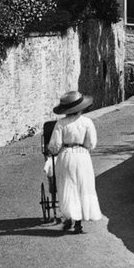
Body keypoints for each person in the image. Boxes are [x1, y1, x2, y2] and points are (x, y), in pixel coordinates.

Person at [48, 90, 102, 233]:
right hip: (82, 155)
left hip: (66, 155)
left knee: (68, 186)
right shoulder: (87, 122)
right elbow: (91, 144)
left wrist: (52, 151)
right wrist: (83, 148)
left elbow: (54, 146)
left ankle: (70, 217)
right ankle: (79, 222)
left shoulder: (61, 124)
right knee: (84, 186)